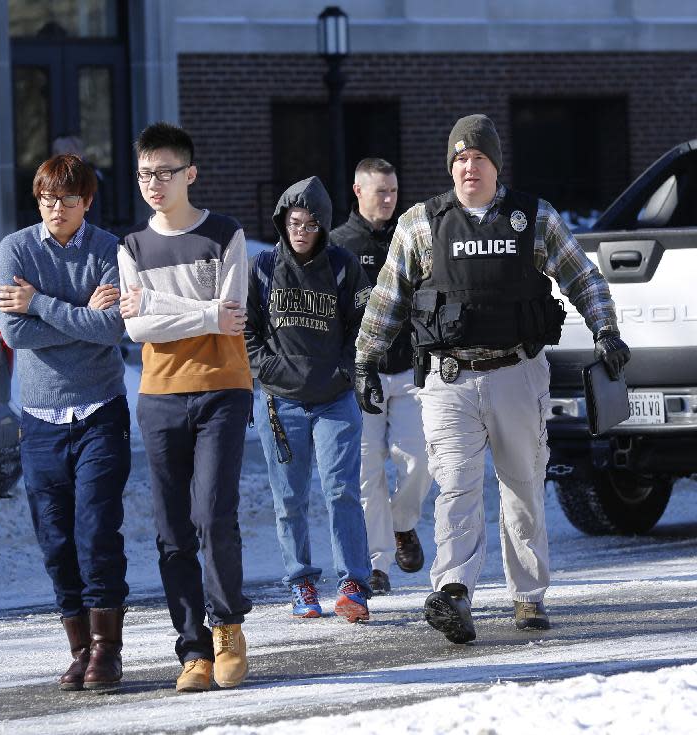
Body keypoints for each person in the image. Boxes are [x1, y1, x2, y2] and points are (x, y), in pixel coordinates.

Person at [354, 114, 630, 643]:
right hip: (449, 379)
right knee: (455, 486)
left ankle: (527, 596)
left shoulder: (535, 218)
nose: (467, 166)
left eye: (477, 157)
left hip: (518, 373)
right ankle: (453, 592)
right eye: (458, 158)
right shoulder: (421, 223)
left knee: (522, 486)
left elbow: (582, 276)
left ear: (495, 164)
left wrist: (606, 330)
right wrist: (366, 359)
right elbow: (389, 298)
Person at [118, 122, 252, 693]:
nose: (155, 183)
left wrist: (159, 304)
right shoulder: (131, 246)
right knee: (172, 527)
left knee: (212, 512)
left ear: (190, 174)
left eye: (166, 173)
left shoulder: (226, 236)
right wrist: (199, 314)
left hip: (224, 388)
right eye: (146, 174)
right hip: (159, 395)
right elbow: (136, 325)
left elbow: (235, 311)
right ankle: (192, 648)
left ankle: (227, 630)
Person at [0, 153, 130, 690]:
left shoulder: (108, 250)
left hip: (99, 410)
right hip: (41, 417)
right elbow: (14, 334)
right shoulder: (15, 250)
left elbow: (114, 328)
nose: (56, 209)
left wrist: (41, 304)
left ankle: (106, 651)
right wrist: (80, 314)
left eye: (67, 201)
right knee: (55, 538)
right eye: (48, 199)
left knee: (97, 530)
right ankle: (78, 649)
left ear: (87, 202)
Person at [245, 175, 373, 623]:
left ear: (323, 226)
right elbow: (246, 333)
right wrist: (270, 371)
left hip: (335, 400)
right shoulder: (261, 268)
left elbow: (362, 328)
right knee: (290, 498)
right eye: (293, 222)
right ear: (283, 223)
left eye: (309, 223)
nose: (300, 231)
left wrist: (344, 370)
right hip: (281, 405)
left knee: (341, 491)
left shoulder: (343, 266)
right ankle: (300, 581)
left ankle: (353, 583)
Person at [332, 158, 432, 596]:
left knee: (420, 461)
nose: (390, 199)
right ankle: (377, 564)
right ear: (358, 191)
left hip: (410, 368)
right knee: (366, 472)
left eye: (393, 191)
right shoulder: (337, 245)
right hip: (360, 374)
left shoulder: (410, 236)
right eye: (381, 192)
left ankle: (403, 525)